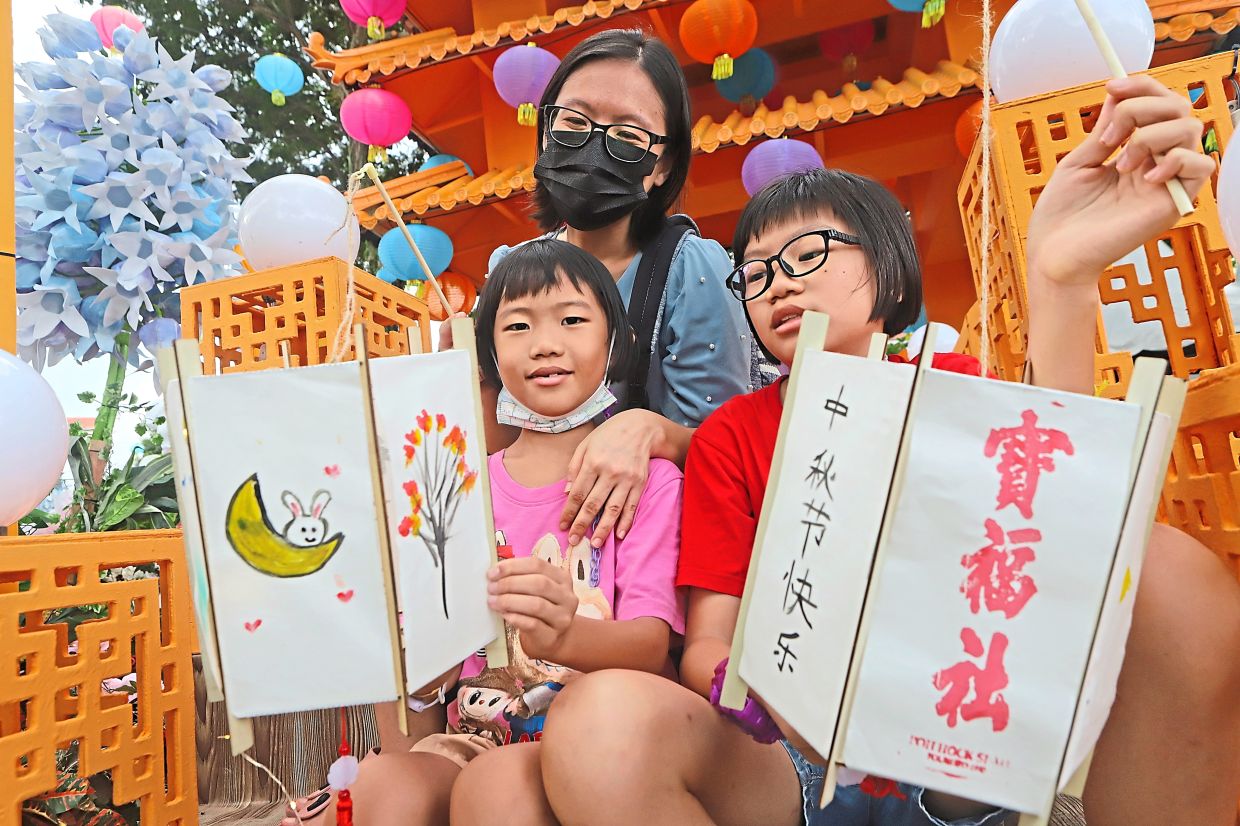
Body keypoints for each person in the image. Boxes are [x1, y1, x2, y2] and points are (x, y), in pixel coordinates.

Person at [539, 76, 1240, 826]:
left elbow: (1049, 510)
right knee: (601, 720)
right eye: (756, 273)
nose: (777, 286)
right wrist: (753, 692)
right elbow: (711, 639)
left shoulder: (952, 383)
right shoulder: (731, 436)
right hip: (796, 757)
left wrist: (1059, 279)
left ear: (884, 263)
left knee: (1163, 569)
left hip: (955, 729)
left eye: (807, 253)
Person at [281, 239, 685, 826]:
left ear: (618, 342)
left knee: (497, 791)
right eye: (517, 326)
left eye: (572, 320)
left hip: (601, 739)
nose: (545, 344)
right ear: (488, 356)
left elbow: (650, 645)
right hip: (470, 738)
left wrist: (564, 634)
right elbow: (417, 688)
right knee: (379, 789)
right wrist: (422, 669)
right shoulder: (452, 489)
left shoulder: (648, 482)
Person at [442, 28, 767, 558]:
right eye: (573, 122)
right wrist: (469, 372)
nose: (595, 145)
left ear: (662, 166)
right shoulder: (511, 270)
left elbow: (725, 451)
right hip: (520, 552)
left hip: (640, 558)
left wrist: (651, 430)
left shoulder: (692, 268)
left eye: (628, 135)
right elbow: (488, 447)